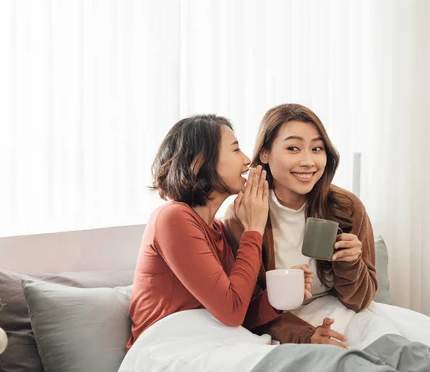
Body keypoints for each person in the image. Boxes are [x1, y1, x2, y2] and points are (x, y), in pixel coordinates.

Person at [224, 104, 430, 364]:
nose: (309, 162)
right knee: (397, 357)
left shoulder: (344, 207)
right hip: (291, 320)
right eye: (294, 149)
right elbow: (246, 305)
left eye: (317, 149)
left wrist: (350, 262)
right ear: (264, 153)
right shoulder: (243, 215)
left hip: (349, 311)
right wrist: (303, 335)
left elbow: (359, 300)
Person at [127, 114, 309, 350]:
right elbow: (232, 313)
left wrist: (281, 295)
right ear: (203, 160)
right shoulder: (172, 218)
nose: (246, 161)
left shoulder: (218, 231)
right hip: (165, 348)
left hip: (208, 342)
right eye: (235, 150)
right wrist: (253, 230)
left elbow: (239, 315)